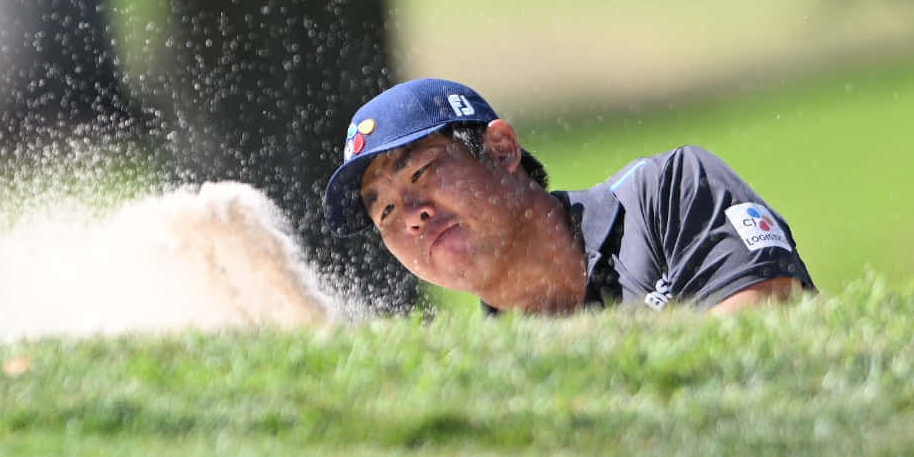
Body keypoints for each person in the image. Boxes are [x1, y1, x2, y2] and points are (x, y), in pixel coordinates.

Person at [322, 78, 815, 314]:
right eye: (384, 210)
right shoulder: (492, 377)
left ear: (502, 150)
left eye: (422, 173)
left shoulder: (668, 193)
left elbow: (763, 326)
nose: (411, 216)